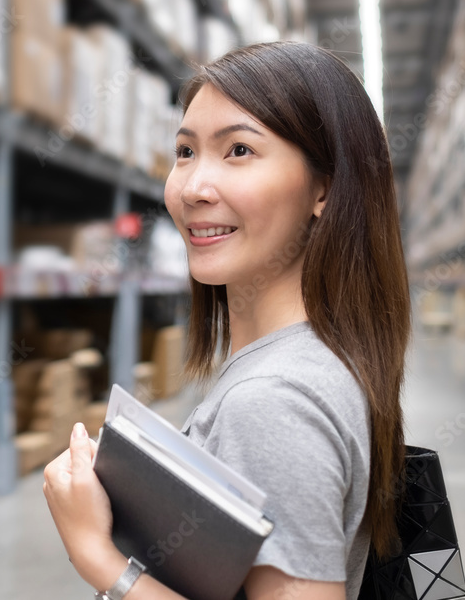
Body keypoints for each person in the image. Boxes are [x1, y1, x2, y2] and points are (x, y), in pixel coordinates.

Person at [43, 41, 412, 600]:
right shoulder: (305, 360)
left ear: (325, 187)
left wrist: (99, 558)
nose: (192, 188)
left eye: (239, 150)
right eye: (185, 152)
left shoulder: (274, 402)